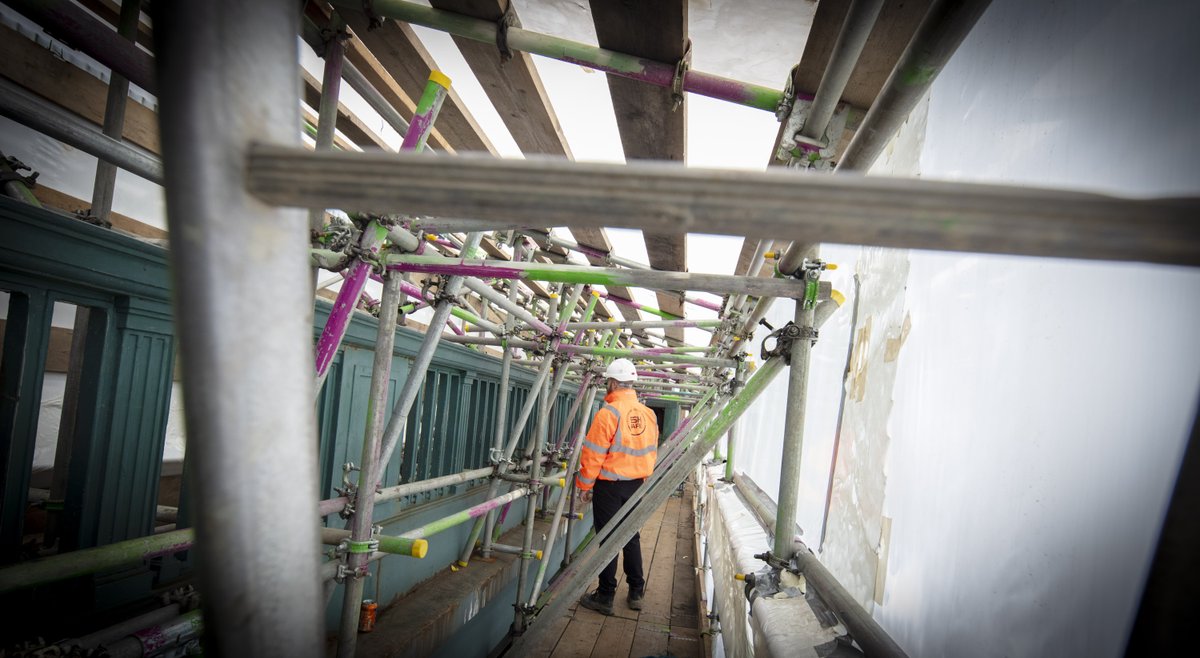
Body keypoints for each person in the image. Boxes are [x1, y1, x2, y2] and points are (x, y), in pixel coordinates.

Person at [576, 358, 660, 616]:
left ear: (612, 383)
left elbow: (593, 455)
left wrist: (585, 486)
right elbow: (651, 451)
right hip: (636, 485)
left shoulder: (608, 414)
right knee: (630, 537)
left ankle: (605, 595)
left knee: (609, 539)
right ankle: (636, 592)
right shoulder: (648, 413)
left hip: (610, 486)